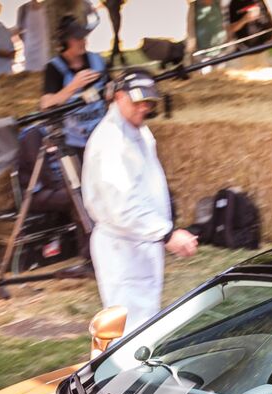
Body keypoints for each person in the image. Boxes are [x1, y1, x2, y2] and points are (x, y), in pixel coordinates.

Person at [83, 69, 198, 325]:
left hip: (140, 242)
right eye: (137, 101)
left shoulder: (137, 131)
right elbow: (123, 205)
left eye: (148, 102)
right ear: (119, 97)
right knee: (127, 327)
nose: (144, 107)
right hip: (122, 248)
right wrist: (165, 233)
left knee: (144, 321)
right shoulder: (111, 142)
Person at [40, 16, 108, 155]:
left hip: (103, 136)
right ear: (65, 42)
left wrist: (111, 91)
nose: (83, 41)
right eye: (77, 38)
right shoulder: (54, 68)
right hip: (74, 142)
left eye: (83, 37)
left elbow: (111, 88)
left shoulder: (97, 60)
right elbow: (46, 105)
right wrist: (74, 85)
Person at [16, 0, 49, 71]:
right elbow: (19, 32)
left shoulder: (44, 7)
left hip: (43, 51)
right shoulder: (23, 9)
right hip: (30, 52)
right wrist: (28, 44)